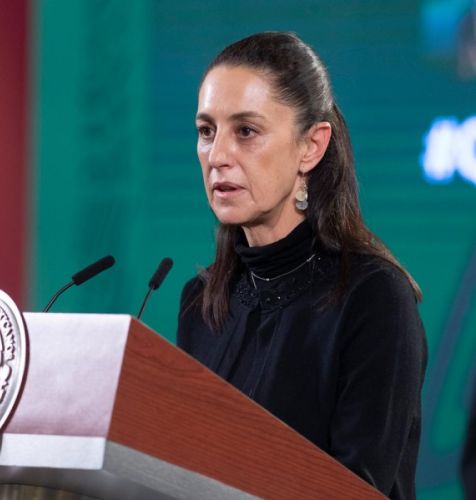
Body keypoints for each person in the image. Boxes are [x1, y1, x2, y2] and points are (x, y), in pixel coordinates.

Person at [177, 32, 427, 500]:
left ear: (311, 146)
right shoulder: (201, 301)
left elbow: (358, 486)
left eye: (245, 131)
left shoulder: (373, 298)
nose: (218, 156)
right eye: (206, 131)